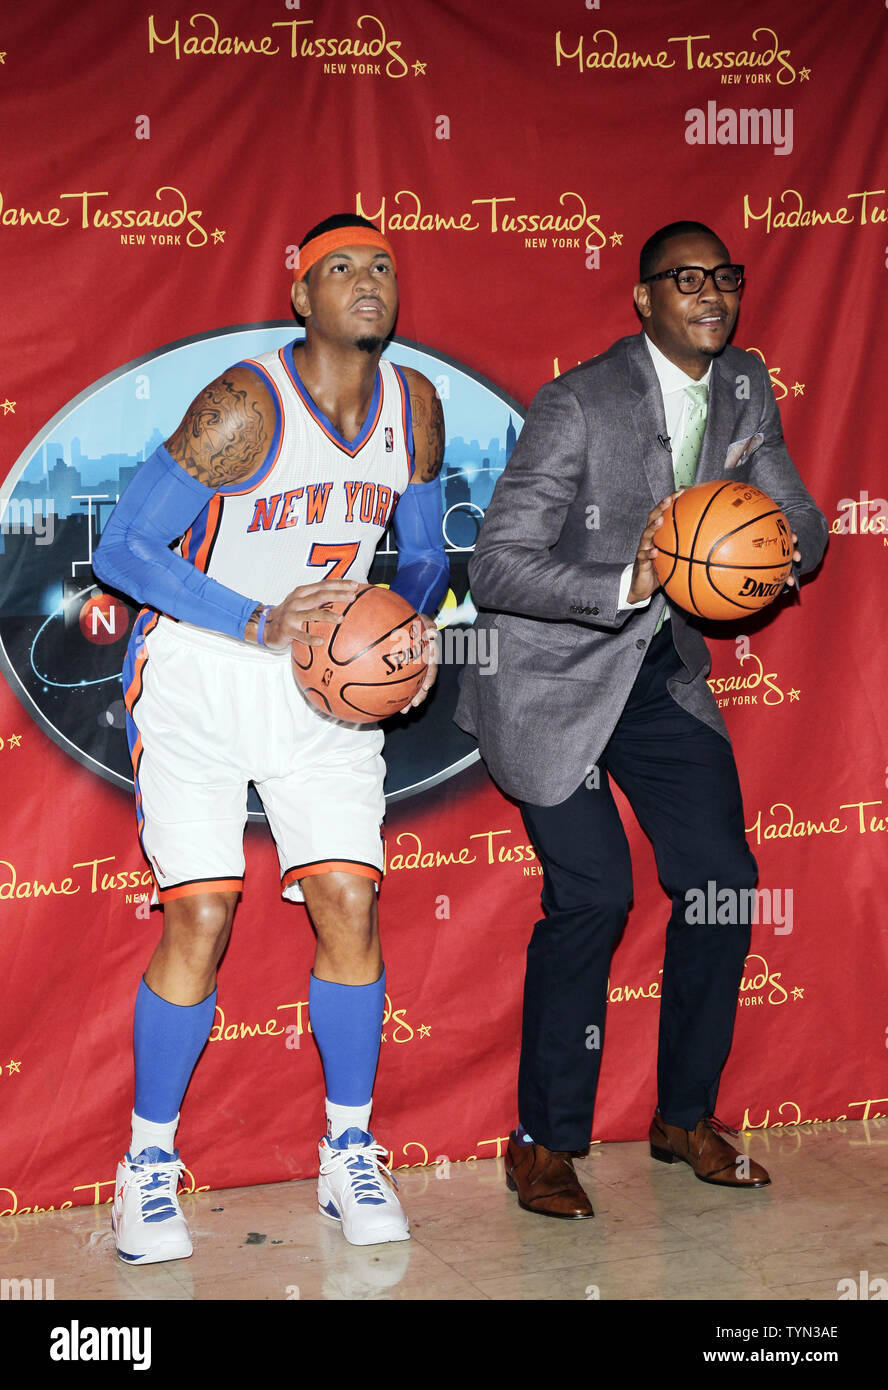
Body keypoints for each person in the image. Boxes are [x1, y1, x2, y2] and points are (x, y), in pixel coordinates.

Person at [92, 213, 449, 1262]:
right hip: (202, 672)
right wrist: (255, 619)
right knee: (200, 912)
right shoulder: (246, 404)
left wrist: (407, 626)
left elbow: (422, 554)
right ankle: (146, 1166)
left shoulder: (415, 407)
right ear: (301, 296)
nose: (367, 281)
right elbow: (122, 547)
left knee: (348, 896)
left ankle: (348, 1152)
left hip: (327, 682)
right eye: (341, 268)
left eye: (382, 264)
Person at [454, 221, 826, 1218]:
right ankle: (542, 1138)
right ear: (644, 298)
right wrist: (629, 576)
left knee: (722, 883)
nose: (712, 294)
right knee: (596, 896)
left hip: (657, 672)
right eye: (687, 279)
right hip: (550, 674)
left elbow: (802, 519)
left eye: (725, 278)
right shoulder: (578, 402)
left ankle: (685, 1117)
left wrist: (783, 542)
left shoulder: (745, 383)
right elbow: (495, 563)